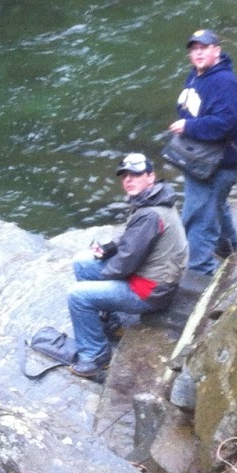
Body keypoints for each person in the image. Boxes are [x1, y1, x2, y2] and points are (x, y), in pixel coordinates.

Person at [66, 153, 189, 378]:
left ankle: (95, 356)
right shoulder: (154, 200)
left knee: (78, 296)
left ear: (151, 177)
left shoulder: (150, 213)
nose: (128, 180)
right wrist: (109, 247)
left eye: (135, 174)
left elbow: (125, 264)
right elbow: (132, 240)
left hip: (150, 290)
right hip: (151, 278)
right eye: (124, 176)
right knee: (83, 263)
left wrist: (103, 274)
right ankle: (111, 325)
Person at [168, 28, 237, 276]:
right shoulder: (197, 75)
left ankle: (200, 271)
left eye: (204, 47)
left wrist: (189, 126)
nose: (198, 53)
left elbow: (228, 122)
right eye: (194, 49)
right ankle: (231, 250)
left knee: (198, 217)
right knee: (216, 205)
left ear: (217, 50)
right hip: (201, 158)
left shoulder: (224, 82)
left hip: (218, 163)